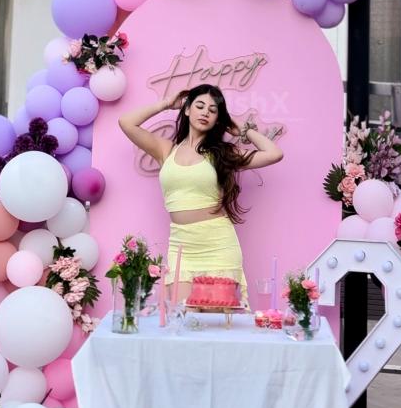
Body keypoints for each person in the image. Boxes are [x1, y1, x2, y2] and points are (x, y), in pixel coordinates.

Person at [118, 83, 283, 304]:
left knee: (215, 321)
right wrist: (167, 104)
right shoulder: (166, 150)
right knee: (181, 319)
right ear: (187, 109)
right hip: (181, 246)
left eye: (213, 110)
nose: (206, 112)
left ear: (218, 120)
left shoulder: (223, 154)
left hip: (218, 244)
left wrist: (239, 128)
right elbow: (126, 123)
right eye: (200, 105)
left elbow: (274, 153)